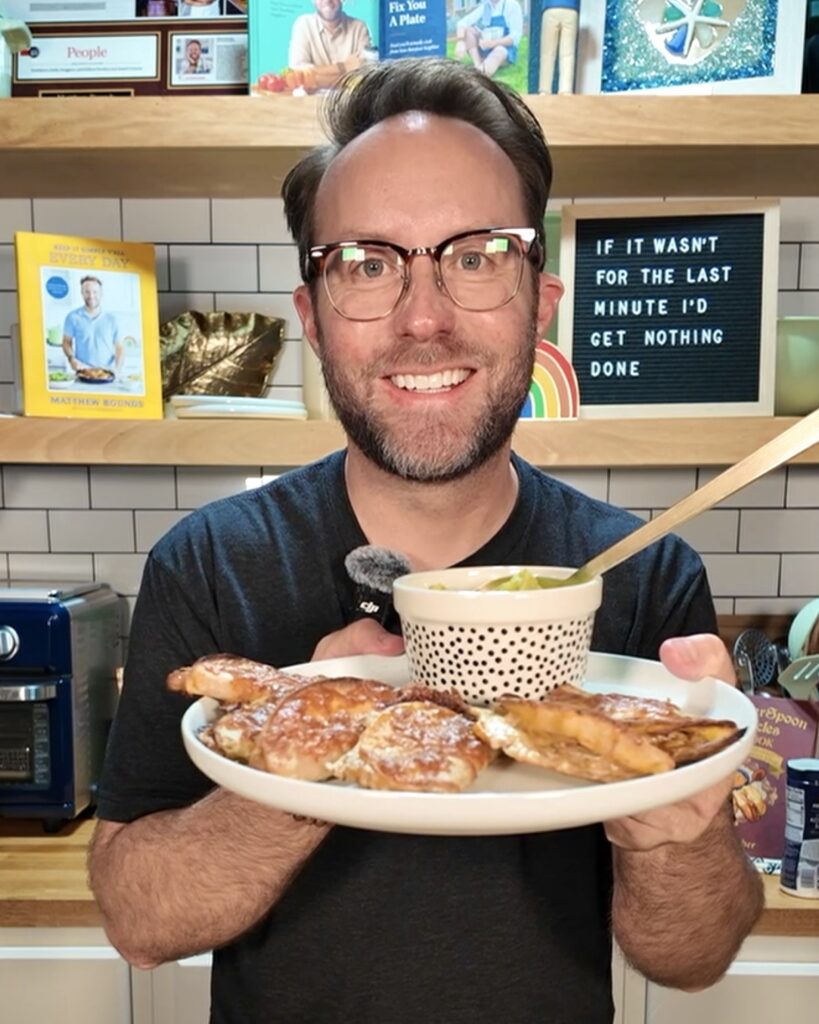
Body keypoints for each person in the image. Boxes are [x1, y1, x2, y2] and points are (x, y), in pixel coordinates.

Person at [88, 57, 764, 1024]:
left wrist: (676, 833)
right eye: (366, 264)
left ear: (540, 302)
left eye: (477, 255)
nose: (424, 318)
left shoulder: (646, 573)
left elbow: (691, 959)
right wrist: (307, 728)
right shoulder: (209, 562)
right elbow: (137, 921)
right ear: (312, 319)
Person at [288, 0, 372, 75]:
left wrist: (316, 76)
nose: (327, 1)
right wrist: (343, 67)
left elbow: (365, 74)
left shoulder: (359, 28)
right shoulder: (303, 25)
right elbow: (298, 73)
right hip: (341, 86)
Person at [61, 275, 122, 374]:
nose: (91, 296)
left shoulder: (112, 319)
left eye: (95, 292)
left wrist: (117, 369)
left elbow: (119, 347)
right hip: (83, 371)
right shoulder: (72, 317)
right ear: (82, 293)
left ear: (101, 293)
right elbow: (66, 342)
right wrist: (71, 359)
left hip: (107, 373)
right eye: (87, 292)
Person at [455, 0, 524, 78]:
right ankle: (477, 65)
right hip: (486, 47)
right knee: (468, 31)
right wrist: (460, 41)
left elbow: (515, 37)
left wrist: (492, 43)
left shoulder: (512, 5)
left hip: (504, 49)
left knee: (500, 50)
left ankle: (480, 73)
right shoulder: (487, 6)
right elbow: (463, 22)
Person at [539, 0, 580, 93]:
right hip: (570, 8)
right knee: (568, 55)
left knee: (547, 54)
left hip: (550, 7)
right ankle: (566, 90)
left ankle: (544, 90)